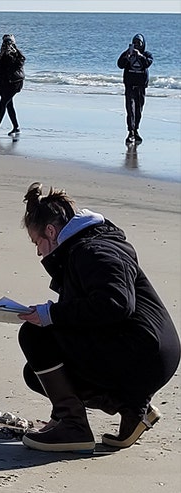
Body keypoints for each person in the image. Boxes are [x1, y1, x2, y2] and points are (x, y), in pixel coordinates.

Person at [16, 183, 179, 453]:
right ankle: (132, 409)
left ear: (51, 231)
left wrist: (51, 314)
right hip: (147, 351)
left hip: (145, 352)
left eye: (37, 242)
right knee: (37, 373)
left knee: (35, 335)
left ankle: (74, 427)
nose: (38, 252)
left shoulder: (93, 250)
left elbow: (116, 303)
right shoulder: (80, 249)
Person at [117, 34, 153, 144]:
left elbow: (147, 63)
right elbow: (120, 65)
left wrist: (140, 56)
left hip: (141, 87)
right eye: (135, 43)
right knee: (130, 110)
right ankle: (130, 132)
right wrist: (127, 57)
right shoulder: (127, 53)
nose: (137, 45)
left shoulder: (147, 54)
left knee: (138, 111)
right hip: (130, 87)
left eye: (139, 43)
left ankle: (136, 130)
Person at [0, 34, 26, 136]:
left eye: (9, 42)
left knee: (3, 102)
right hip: (3, 83)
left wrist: (11, 54)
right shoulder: (1, 55)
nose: (7, 45)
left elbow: (18, 65)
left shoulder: (18, 54)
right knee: (9, 104)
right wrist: (0, 56)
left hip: (14, 83)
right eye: (5, 43)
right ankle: (16, 127)